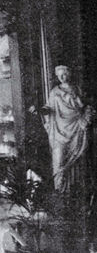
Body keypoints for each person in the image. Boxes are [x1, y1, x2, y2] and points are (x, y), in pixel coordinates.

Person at [32, 65, 94, 193]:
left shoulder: (77, 89)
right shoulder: (54, 91)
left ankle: (74, 191)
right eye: (59, 75)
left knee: (76, 159)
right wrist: (39, 110)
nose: (61, 77)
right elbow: (49, 108)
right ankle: (60, 191)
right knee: (58, 160)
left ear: (69, 74)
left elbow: (84, 106)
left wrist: (76, 99)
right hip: (59, 130)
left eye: (64, 74)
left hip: (75, 127)